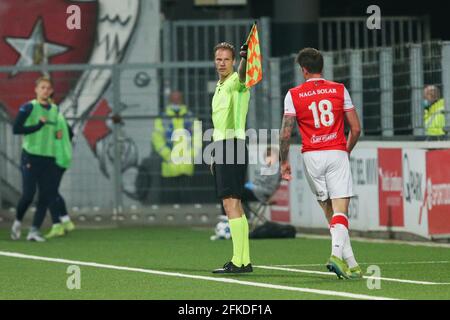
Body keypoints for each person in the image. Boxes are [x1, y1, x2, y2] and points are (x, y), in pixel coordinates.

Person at [279, 48, 362, 279]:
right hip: (336, 151)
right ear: (321, 67)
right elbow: (355, 128)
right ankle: (336, 255)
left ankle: (352, 263)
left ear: (303, 70)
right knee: (341, 210)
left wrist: (283, 161)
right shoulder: (339, 89)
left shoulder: (293, 94)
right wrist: (346, 150)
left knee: (329, 211)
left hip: (311, 156)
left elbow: (286, 133)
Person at [210, 42, 252, 274]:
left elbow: (244, 75)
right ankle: (243, 260)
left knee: (230, 203)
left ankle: (238, 261)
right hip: (224, 147)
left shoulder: (237, 81)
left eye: (226, 59)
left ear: (234, 61)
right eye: (219, 59)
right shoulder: (219, 85)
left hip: (232, 145)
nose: (222, 63)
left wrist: (245, 59)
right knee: (235, 203)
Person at [10, 76, 62, 242]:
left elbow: (56, 131)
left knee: (46, 195)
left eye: (48, 88)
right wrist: (38, 126)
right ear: (36, 90)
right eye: (42, 87)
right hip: (31, 156)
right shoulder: (29, 107)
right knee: (28, 194)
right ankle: (17, 222)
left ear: (52, 91)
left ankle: (34, 231)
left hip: (49, 158)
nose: (45, 90)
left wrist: (57, 135)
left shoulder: (55, 109)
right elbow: (16, 129)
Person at [151, 91, 200, 203]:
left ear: (181, 100)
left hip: (186, 164)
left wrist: (192, 153)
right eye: (174, 99)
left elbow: (197, 136)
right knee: (170, 198)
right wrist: (168, 154)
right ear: (170, 101)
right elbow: (157, 138)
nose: (176, 101)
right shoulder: (163, 117)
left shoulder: (190, 116)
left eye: (178, 99)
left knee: (186, 197)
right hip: (170, 164)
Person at [45, 110, 76, 238]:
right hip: (62, 158)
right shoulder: (59, 116)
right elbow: (71, 133)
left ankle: (58, 225)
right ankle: (65, 221)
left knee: (49, 191)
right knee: (52, 191)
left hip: (55, 159)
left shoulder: (50, 117)